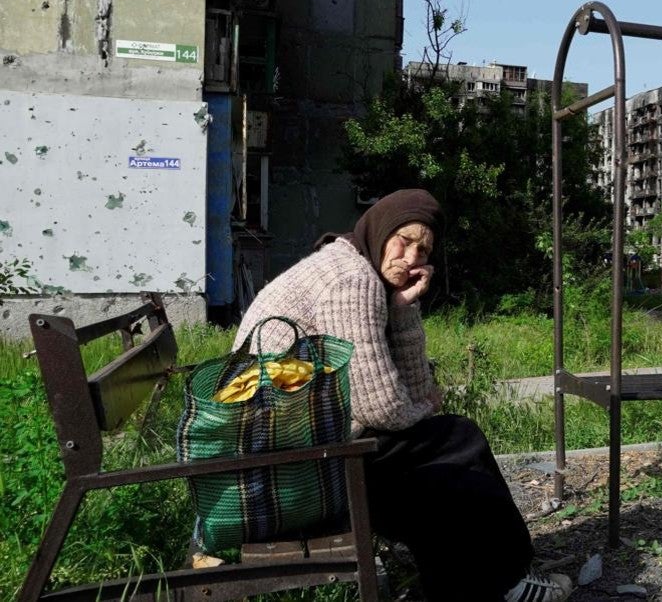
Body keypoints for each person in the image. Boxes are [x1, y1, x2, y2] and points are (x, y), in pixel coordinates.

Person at [234, 189, 571, 602]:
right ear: (380, 232)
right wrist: (425, 405)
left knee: (441, 454)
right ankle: (504, 580)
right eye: (404, 241)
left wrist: (404, 308)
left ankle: (498, 577)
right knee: (456, 443)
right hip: (285, 457)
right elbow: (380, 406)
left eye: (423, 248)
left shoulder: (354, 266)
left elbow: (401, 392)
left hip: (291, 442)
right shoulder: (352, 281)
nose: (412, 258)